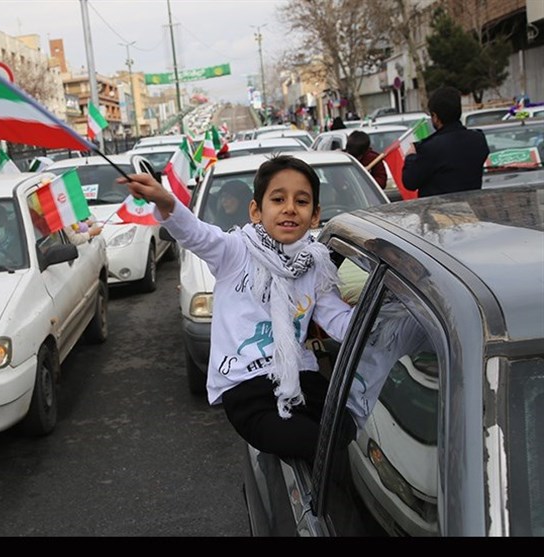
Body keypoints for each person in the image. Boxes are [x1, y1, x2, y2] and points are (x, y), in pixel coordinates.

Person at [117, 155, 358, 463]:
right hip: (249, 389)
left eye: (301, 201)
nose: (289, 208)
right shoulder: (235, 250)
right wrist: (166, 200)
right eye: (278, 199)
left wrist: (389, 320)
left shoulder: (316, 265)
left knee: (345, 432)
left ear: (314, 215)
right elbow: (196, 233)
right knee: (316, 445)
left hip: (301, 379)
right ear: (256, 211)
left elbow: (339, 320)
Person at [402, 86, 490, 197]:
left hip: (439, 211)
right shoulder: (478, 140)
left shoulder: (431, 148)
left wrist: (410, 156)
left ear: (435, 117)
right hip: (471, 207)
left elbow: (410, 182)